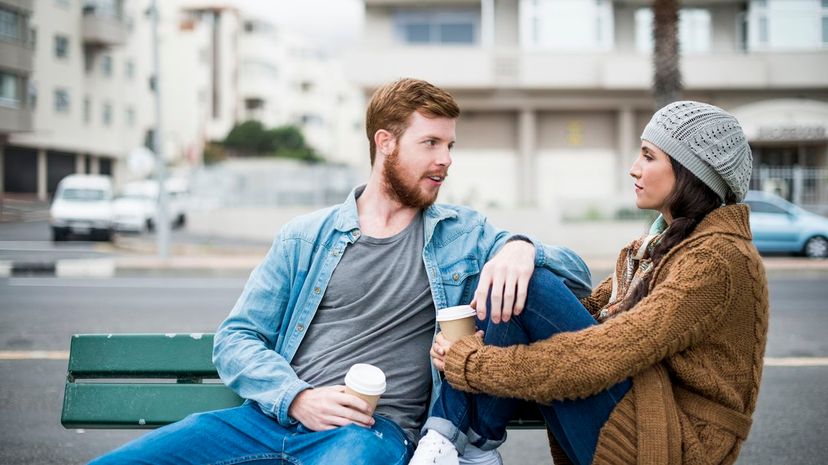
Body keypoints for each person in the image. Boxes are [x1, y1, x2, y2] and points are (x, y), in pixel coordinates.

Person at [88, 78, 591, 465]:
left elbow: (574, 276)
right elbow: (237, 337)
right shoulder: (305, 236)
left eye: (450, 146)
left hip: (369, 433)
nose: (445, 161)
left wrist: (521, 247)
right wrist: (297, 397)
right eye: (431, 144)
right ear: (385, 143)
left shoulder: (460, 235)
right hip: (266, 420)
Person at [410, 100, 769, 465]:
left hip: (671, 440)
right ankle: (465, 444)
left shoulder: (716, 260)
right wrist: (468, 343)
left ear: (690, 171)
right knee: (512, 288)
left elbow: (600, 353)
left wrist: (471, 363)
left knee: (528, 285)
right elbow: (568, 318)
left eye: (648, 156)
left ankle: (461, 441)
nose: (634, 169)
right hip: (646, 412)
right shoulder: (654, 250)